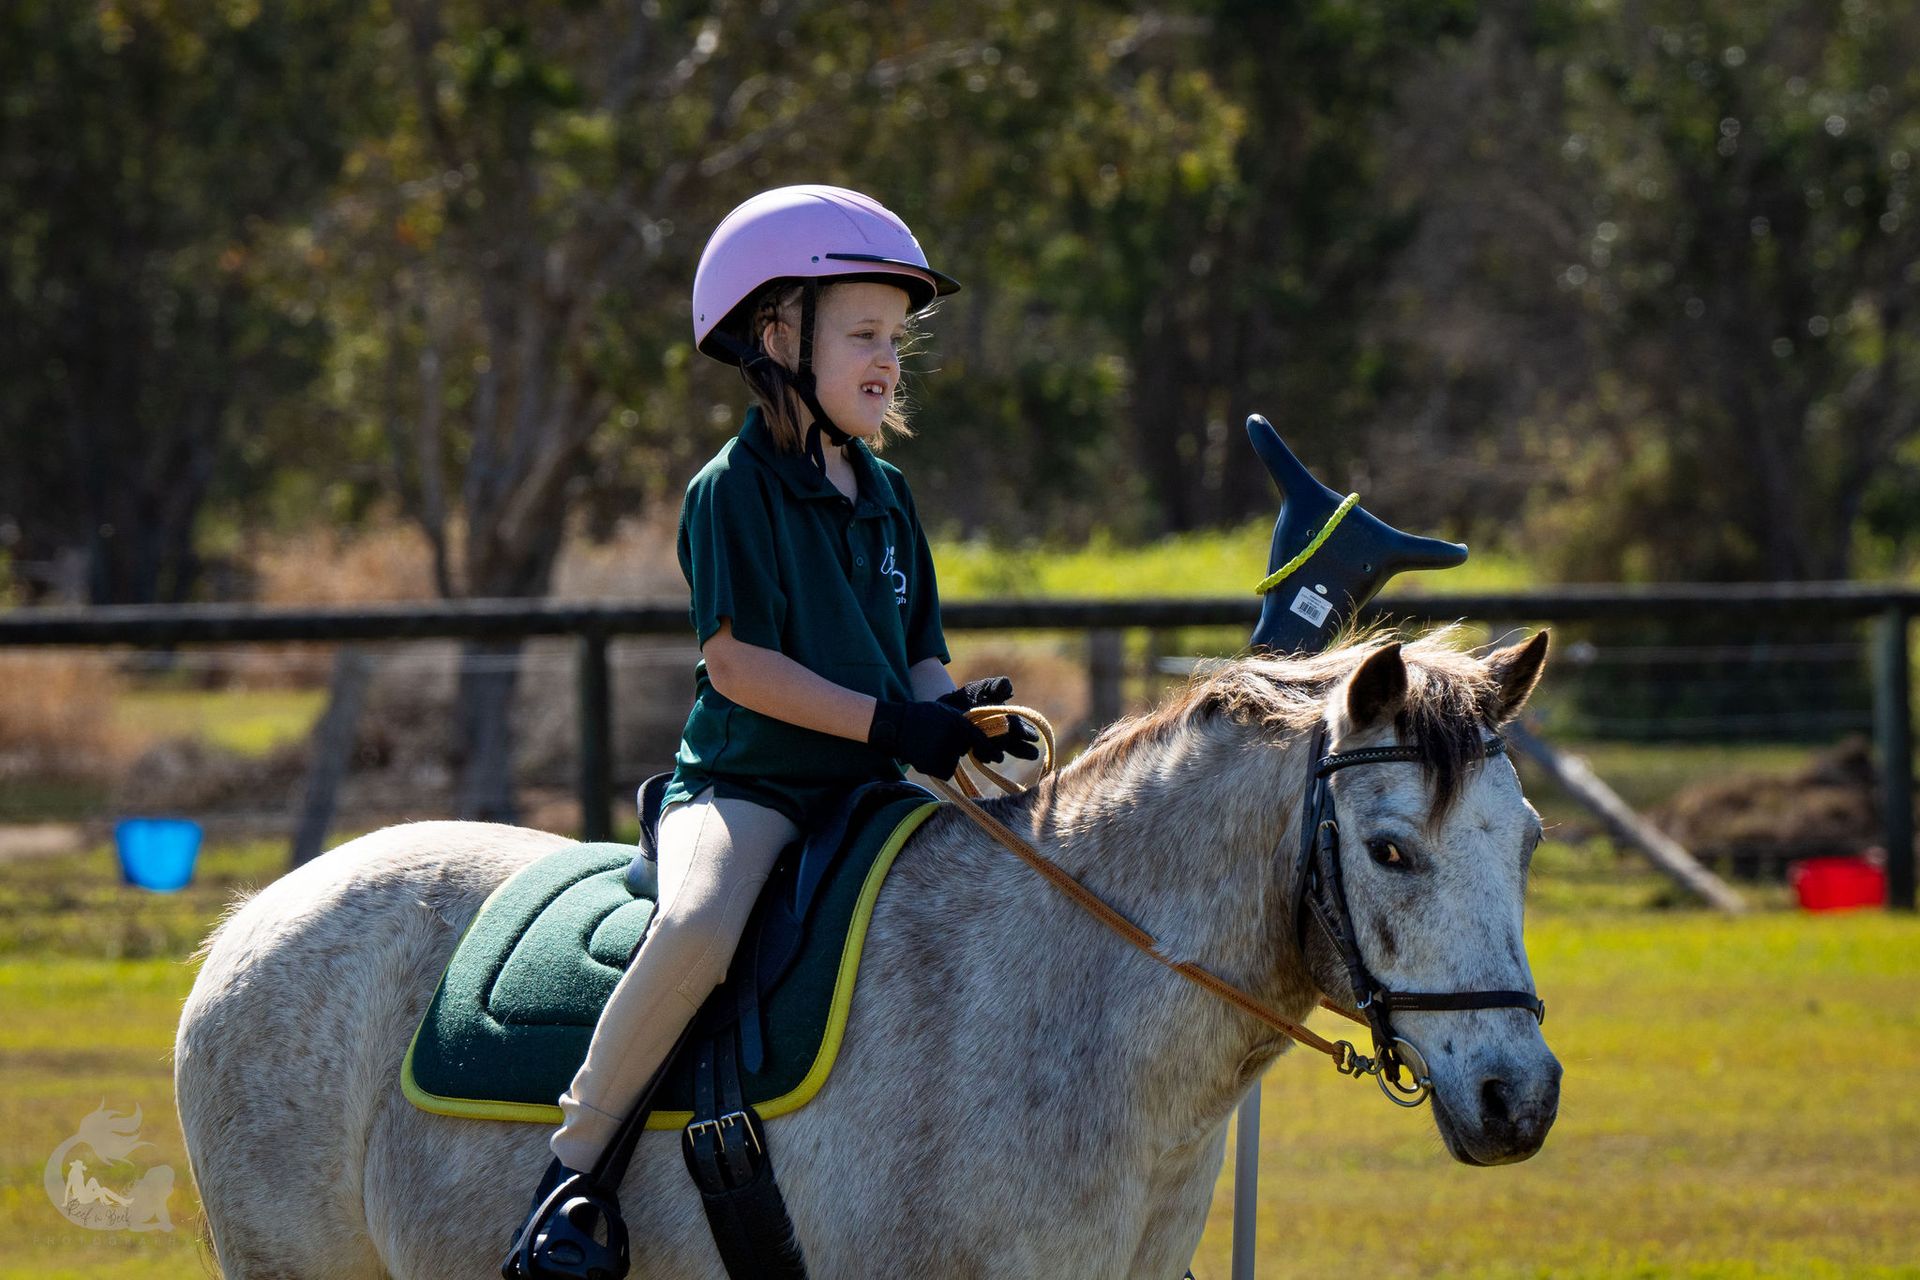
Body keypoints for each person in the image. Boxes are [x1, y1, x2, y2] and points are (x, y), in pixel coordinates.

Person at [506, 185, 1037, 1268]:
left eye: (897, 337)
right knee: (700, 928)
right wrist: (897, 723)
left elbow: (920, 652)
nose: (888, 359)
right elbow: (739, 666)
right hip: (748, 789)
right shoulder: (729, 489)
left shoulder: (889, 495)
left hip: (873, 788)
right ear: (777, 334)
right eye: (863, 334)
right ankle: (573, 1180)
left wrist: (961, 725)